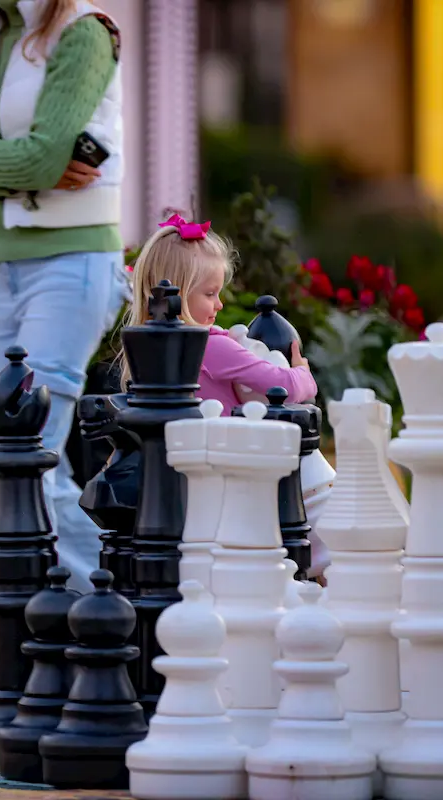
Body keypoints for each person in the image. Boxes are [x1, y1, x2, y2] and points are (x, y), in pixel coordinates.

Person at [0, 0, 127, 704]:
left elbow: (43, 154)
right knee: (7, 460)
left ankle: (113, 622)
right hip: (0, 267)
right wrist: (23, 166)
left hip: (71, 262)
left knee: (33, 452)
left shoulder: (85, 31)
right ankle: (57, 639)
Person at [121, 213, 333, 577]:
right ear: (178, 295)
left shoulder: (145, 348)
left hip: (187, 484)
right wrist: (303, 372)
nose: (219, 304)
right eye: (209, 294)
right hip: (236, 474)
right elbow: (280, 385)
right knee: (330, 536)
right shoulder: (209, 345)